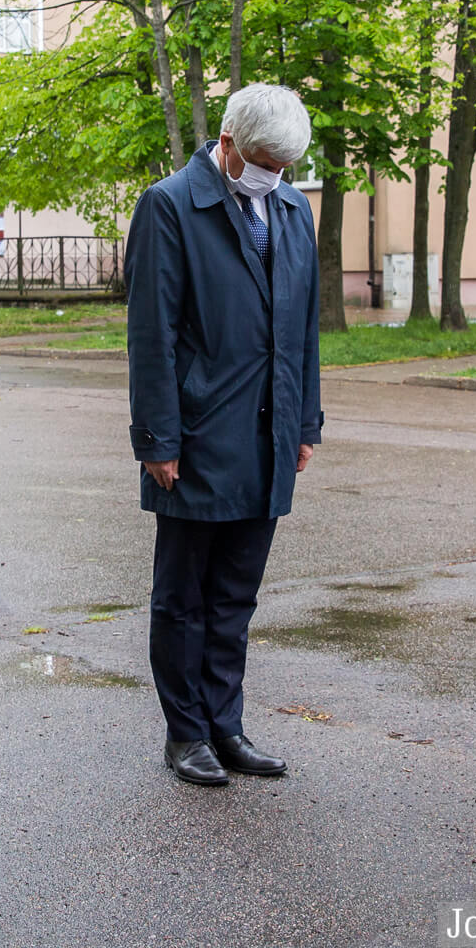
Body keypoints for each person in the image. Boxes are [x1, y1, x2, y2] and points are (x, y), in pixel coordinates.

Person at [125, 82, 323, 787]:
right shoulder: (170, 205)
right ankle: (186, 734)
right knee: (185, 597)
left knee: (236, 594)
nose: (277, 175)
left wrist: (305, 422)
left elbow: (303, 328)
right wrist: (158, 440)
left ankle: (225, 725)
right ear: (230, 143)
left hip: (270, 432)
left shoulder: (292, 208)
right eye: (266, 162)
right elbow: (152, 334)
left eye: (286, 165)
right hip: (198, 433)